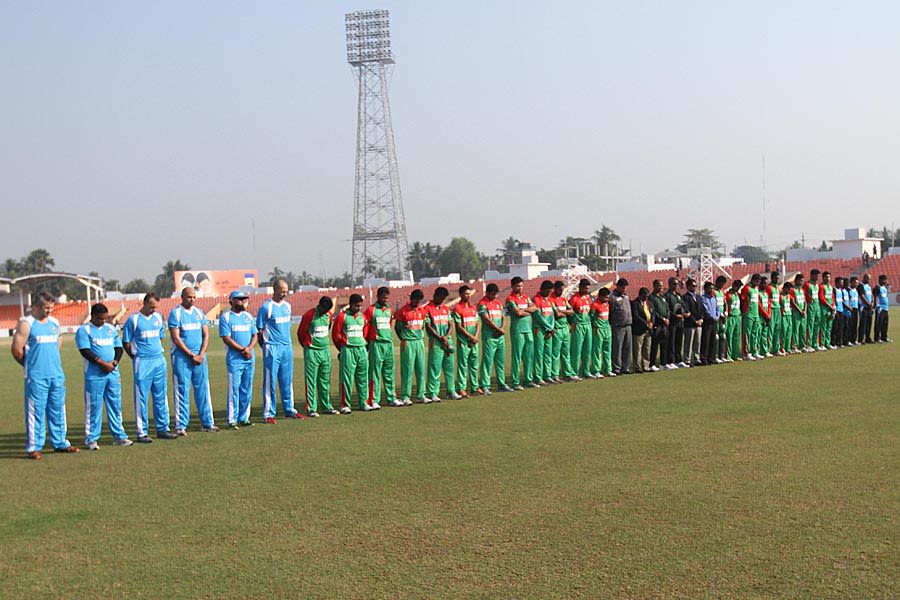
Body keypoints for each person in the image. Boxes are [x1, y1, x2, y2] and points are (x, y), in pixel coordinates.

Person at [12, 292, 78, 458]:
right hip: (36, 377)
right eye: (46, 308)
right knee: (36, 412)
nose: (50, 311)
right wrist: (30, 367)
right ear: (37, 306)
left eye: (52, 307)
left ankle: (60, 442)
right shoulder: (26, 323)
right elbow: (17, 350)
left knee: (58, 410)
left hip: (56, 375)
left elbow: (57, 346)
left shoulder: (55, 323)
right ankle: (34, 447)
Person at [122, 293, 176, 442]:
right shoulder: (133, 320)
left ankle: (163, 428)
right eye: (151, 307)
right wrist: (135, 356)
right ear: (144, 303)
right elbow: (126, 342)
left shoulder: (158, 318)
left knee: (161, 395)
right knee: (142, 398)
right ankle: (142, 432)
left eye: (155, 307)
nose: (153, 310)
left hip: (159, 360)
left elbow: (160, 337)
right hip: (143, 362)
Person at [75, 302, 131, 449]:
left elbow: (118, 348)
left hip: (112, 373)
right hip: (94, 375)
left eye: (105, 318)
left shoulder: (110, 329)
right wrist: (103, 364)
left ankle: (119, 436)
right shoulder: (84, 330)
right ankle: (91, 439)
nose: (103, 321)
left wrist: (114, 363)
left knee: (115, 405)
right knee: (94, 406)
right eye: (100, 319)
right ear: (93, 316)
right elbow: (85, 351)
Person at [168, 286, 217, 435]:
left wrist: (201, 354)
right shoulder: (176, 313)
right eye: (189, 297)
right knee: (182, 390)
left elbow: (206, 335)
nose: (192, 300)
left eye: (194, 297)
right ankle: (181, 425)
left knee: (203, 389)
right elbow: (176, 338)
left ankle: (207, 422)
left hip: (200, 357)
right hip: (182, 357)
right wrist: (191, 355)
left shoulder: (199, 313)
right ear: (182, 297)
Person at [257, 280, 303, 423]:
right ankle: (268, 413)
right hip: (272, 347)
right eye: (282, 291)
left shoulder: (287, 306)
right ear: (275, 290)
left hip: (286, 347)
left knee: (287, 380)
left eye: (286, 291)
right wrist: (266, 347)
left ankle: (289, 409)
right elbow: (259, 330)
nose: (284, 294)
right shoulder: (266, 307)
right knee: (270, 381)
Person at [220, 290, 259, 427]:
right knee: (234, 389)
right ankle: (232, 419)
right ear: (231, 300)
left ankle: (244, 417)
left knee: (247, 388)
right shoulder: (226, 317)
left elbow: (255, 335)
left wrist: (249, 349)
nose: (242, 301)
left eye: (244, 299)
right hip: (235, 359)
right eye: (239, 299)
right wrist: (242, 349)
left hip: (249, 357)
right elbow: (226, 338)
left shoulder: (248, 316)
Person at [332, 294, 373, 413]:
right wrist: (343, 349)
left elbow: (365, 333)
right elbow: (336, 336)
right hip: (348, 349)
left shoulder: (363, 317)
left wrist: (363, 345)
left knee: (363, 377)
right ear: (351, 304)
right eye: (356, 306)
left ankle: (363, 402)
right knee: (346, 378)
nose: (359, 308)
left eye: (360, 306)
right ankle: (345, 404)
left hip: (361, 349)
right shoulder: (342, 317)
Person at [298, 296, 337, 417]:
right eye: (324, 310)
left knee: (325, 380)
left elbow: (328, 328)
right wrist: (307, 346)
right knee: (311, 380)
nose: (325, 312)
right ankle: (312, 408)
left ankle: (326, 406)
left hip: (325, 350)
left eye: (327, 310)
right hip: (312, 351)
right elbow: (300, 334)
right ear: (319, 306)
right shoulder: (309, 315)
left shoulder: (329, 315)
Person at [364, 287, 399, 408]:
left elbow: (389, 325)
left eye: (387, 298)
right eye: (384, 298)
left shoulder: (389, 310)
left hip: (388, 343)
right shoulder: (371, 310)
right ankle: (374, 399)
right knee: (375, 372)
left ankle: (392, 397)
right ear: (378, 297)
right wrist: (368, 343)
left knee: (389, 372)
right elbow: (365, 327)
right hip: (376, 344)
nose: (386, 300)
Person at [506, 277, 539, 389]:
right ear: (512, 286)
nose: (520, 288)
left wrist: (523, 311)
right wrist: (526, 311)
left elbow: (535, 308)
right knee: (517, 357)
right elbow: (517, 313)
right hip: (517, 330)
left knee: (529, 356)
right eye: (517, 286)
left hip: (528, 329)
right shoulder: (510, 299)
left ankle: (528, 380)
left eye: (521, 286)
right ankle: (515, 382)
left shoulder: (525, 297)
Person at [478, 283, 511, 393]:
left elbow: (503, 317)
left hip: (499, 337)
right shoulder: (482, 304)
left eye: (496, 294)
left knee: (500, 361)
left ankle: (501, 384)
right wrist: (498, 329)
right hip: (489, 336)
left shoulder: (498, 303)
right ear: (487, 293)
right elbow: (486, 319)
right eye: (492, 294)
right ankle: (485, 385)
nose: (494, 296)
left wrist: (501, 329)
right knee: (488, 361)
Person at [395, 289, 427, 404]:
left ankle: (421, 395)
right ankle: (405, 396)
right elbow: (397, 328)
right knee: (407, 370)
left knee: (421, 369)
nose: (417, 303)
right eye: (416, 300)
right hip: (408, 342)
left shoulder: (422, 311)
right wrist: (403, 338)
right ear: (411, 299)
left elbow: (422, 326)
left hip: (419, 341)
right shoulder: (403, 311)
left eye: (419, 301)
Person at [424, 287, 455, 400]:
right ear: (435, 296)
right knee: (434, 368)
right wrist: (440, 337)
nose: (442, 301)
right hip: (435, 342)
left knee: (449, 368)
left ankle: (451, 391)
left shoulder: (445, 309)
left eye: (444, 299)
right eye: (440, 298)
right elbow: (428, 326)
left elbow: (450, 324)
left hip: (447, 341)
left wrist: (446, 337)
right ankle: (433, 393)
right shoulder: (427, 309)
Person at [452, 285, 480, 397]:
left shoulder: (473, 308)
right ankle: (461, 388)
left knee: (474, 365)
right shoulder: (457, 308)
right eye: (465, 294)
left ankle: (475, 387)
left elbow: (477, 323)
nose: (468, 296)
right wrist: (470, 337)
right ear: (460, 295)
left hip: (474, 341)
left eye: (469, 294)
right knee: (462, 365)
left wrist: (476, 336)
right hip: (463, 341)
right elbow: (459, 327)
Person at [531, 280, 556, 385]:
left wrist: (551, 327)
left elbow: (552, 315)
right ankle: (538, 376)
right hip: (539, 330)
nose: (549, 293)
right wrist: (549, 327)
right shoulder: (536, 300)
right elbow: (538, 316)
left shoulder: (550, 300)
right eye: (547, 291)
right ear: (542, 289)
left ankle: (548, 375)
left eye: (550, 292)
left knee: (548, 353)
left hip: (548, 330)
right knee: (539, 354)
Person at [551, 281, 576, 382]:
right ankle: (555, 375)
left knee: (566, 352)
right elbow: (557, 315)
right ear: (555, 289)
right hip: (556, 328)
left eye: (562, 290)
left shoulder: (563, 299)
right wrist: (564, 312)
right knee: (555, 353)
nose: (561, 292)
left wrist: (563, 312)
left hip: (564, 328)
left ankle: (567, 373)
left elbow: (572, 311)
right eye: (560, 290)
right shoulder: (551, 299)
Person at [569, 279, 594, 379]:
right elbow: (569, 312)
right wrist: (573, 322)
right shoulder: (574, 298)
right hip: (578, 325)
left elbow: (590, 311)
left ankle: (586, 371)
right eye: (585, 288)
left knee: (587, 350)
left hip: (587, 325)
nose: (587, 290)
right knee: (576, 350)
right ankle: (574, 372)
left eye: (588, 288)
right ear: (580, 287)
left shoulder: (588, 298)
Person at [609, 278, 633, 375]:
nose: (624, 290)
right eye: (623, 288)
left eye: (625, 288)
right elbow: (610, 312)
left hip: (628, 325)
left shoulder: (626, 297)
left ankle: (625, 367)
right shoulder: (612, 298)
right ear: (618, 287)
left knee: (627, 348)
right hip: (618, 326)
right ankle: (617, 368)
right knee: (617, 348)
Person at [590, 287, 614, 378]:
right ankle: (596, 370)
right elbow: (591, 317)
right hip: (598, 329)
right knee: (597, 350)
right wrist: (595, 326)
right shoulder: (594, 305)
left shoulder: (607, 304)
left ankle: (608, 369)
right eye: (605, 297)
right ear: (600, 296)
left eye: (608, 297)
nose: (607, 299)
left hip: (607, 329)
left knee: (607, 350)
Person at [630, 286, 653, 373]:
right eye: (644, 296)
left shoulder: (648, 303)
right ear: (640, 295)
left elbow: (652, 313)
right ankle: (637, 367)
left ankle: (646, 366)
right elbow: (636, 316)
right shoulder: (635, 303)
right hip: (639, 330)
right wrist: (645, 323)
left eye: (647, 296)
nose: (646, 298)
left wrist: (651, 322)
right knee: (638, 349)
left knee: (647, 349)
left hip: (649, 329)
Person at [649, 279, 670, 371]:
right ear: (654, 286)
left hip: (665, 325)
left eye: (662, 285)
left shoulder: (663, 297)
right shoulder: (651, 298)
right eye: (659, 285)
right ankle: (652, 363)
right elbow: (654, 311)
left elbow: (667, 309)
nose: (661, 287)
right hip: (657, 324)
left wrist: (668, 318)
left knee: (665, 344)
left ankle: (663, 363)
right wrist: (663, 319)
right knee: (655, 345)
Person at [665, 278, 687, 368]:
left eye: (677, 284)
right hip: (673, 322)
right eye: (674, 284)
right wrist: (674, 315)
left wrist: (686, 312)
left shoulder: (678, 295)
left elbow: (683, 305)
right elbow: (667, 309)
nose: (676, 285)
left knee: (679, 341)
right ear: (670, 284)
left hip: (680, 322)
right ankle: (671, 360)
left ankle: (679, 360)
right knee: (671, 341)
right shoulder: (667, 295)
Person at [681, 278, 702, 366]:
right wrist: (695, 320)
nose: (695, 287)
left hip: (699, 323)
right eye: (693, 286)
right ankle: (687, 359)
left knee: (697, 342)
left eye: (695, 286)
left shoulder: (698, 297)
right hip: (690, 324)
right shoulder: (685, 297)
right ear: (688, 286)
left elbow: (701, 309)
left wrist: (701, 319)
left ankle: (697, 358)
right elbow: (687, 310)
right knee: (688, 342)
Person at [741, 274, 762, 360]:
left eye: (759, 282)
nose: (758, 284)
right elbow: (742, 300)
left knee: (755, 334)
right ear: (753, 280)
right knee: (747, 334)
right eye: (757, 282)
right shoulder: (746, 288)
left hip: (756, 314)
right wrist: (744, 311)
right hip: (748, 315)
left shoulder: (756, 289)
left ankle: (754, 351)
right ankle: (746, 353)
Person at [699, 281, 720, 365]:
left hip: (714, 321)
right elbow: (706, 309)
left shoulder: (713, 298)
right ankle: (704, 358)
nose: (711, 290)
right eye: (709, 288)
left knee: (713, 340)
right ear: (705, 289)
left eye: (712, 288)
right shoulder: (703, 298)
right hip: (708, 321)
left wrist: (717, 316)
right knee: (706, 340)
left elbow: (717, 308)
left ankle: (712, 358)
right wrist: (712, 317)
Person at [803, 269, 823, 351]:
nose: (818, 277)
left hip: (817, 305)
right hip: (811, 306)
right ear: (812, 275)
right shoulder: (807, 285)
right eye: (817, 276)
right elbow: (804, 295)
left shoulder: (817, 285)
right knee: (810, 325)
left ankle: (815, 344)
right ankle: (809, 344)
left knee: (817, 325)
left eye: (819, 276)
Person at [790, 273, 810, 352]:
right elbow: (793, 302)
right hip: (796, 313)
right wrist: (800, 311)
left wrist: (804, 310)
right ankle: (794, 346)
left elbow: (805, 301)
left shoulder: (802, 290)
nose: (802, 282)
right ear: (796, 281)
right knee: (795, 330)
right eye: (800, 281)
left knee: (803, 329)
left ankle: (802, 346)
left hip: (803, 313)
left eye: (803, 281)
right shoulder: (792, 290)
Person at [724, 279, 742, 362]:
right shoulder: (728, 294)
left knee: (736, 337)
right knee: (729, 337)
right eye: (737, 286)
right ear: (733, 285)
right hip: (731, 317)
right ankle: (728, 355)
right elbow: (726, 305)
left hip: (738, 317)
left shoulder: (738, 294)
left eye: (739, 286)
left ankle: (735, 355)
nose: (738, 288)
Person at [767, 271, 784, 356]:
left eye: (778, 278)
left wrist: (781, 309)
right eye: (776, 278)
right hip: (772, 309)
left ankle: (776, 349)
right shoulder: (769, 287)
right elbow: (768, 300)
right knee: (771, 330)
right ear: (772, 278)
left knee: (777, 330)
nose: (777, 280)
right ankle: (768, 349)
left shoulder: (777, 288)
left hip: (778, 309)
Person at [818, 271, 836, 350]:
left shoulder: (830, 287)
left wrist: (833, 307)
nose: (828, 279)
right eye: (826, 277)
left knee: (829, 327)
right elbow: (822, 299)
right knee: (823, 327)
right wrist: (830, 306)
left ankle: (827, 343)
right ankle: (822, 344)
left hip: (830, 309)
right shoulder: (821, 286)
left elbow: (832, 297)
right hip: (824, 309)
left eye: (829, 277)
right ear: (823, 277)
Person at [714, 276, 729, 363]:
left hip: (723, 317)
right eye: (721, 283)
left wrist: (726, 312)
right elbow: (714, 304)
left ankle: (722, 356)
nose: (722, 285)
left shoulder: (722, 292)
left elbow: (725, 303)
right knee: (716, 337)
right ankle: (715, 356)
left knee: (723, 336)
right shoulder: (714, 292)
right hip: (717, 317)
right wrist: (719, 314)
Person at [757, 276, 772, 357]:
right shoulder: (758, 293)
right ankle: (758, 351)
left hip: (766, 317)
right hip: (760, 317)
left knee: (764, 334)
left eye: (766, 284)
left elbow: (769, 304)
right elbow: (759, 306)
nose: (766, 285)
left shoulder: (766, 294)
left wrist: (769, 314)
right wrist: (766, 315)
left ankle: (765, 351)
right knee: (758, 334)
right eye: (764, 283)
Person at [858, 273, 875, 343]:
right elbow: (862, 296)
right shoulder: (861, 286)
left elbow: (871, 295)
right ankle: (860, 339)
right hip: (863, 307)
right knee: (863, 324)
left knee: (869, 323)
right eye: (868, 278)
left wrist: (872, 302)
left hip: (869, 307)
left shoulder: (868, 286)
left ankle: (868, 338)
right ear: (864, 278)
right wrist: (868, 304)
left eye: (869, 279)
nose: (869, 280)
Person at [874, 274, 891, 342]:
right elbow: (875, 297)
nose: (886, 281)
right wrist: (877, 306)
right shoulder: (877, 288)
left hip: (885, 308)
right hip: (880, 308)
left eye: (886, 280)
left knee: (885, 323)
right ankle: (877, 338)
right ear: (880, 280)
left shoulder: (884, 288)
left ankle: (884, 337)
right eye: (884, 280)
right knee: (879, 323)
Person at [780, 281, 795, 353]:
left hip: (789, 315)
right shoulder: (780, 296)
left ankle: (788, 348)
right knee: (783, 332)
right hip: (784, 316)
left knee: (789, 332)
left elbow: (793, 303)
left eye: (790, 289)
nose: (790, 290)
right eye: (788, 289)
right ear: (784, 288)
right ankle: (782, 348)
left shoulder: (789, 296)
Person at [847, 276, 860, 346]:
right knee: (850, 325)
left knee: (855, 324)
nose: (856, 284)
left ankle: (854, 340)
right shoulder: (848, 290)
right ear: (851, 283)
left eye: (857, 283)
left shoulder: (856, 290)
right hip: (850, 309)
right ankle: (848, 340)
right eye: (855, 283)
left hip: (856, 308)